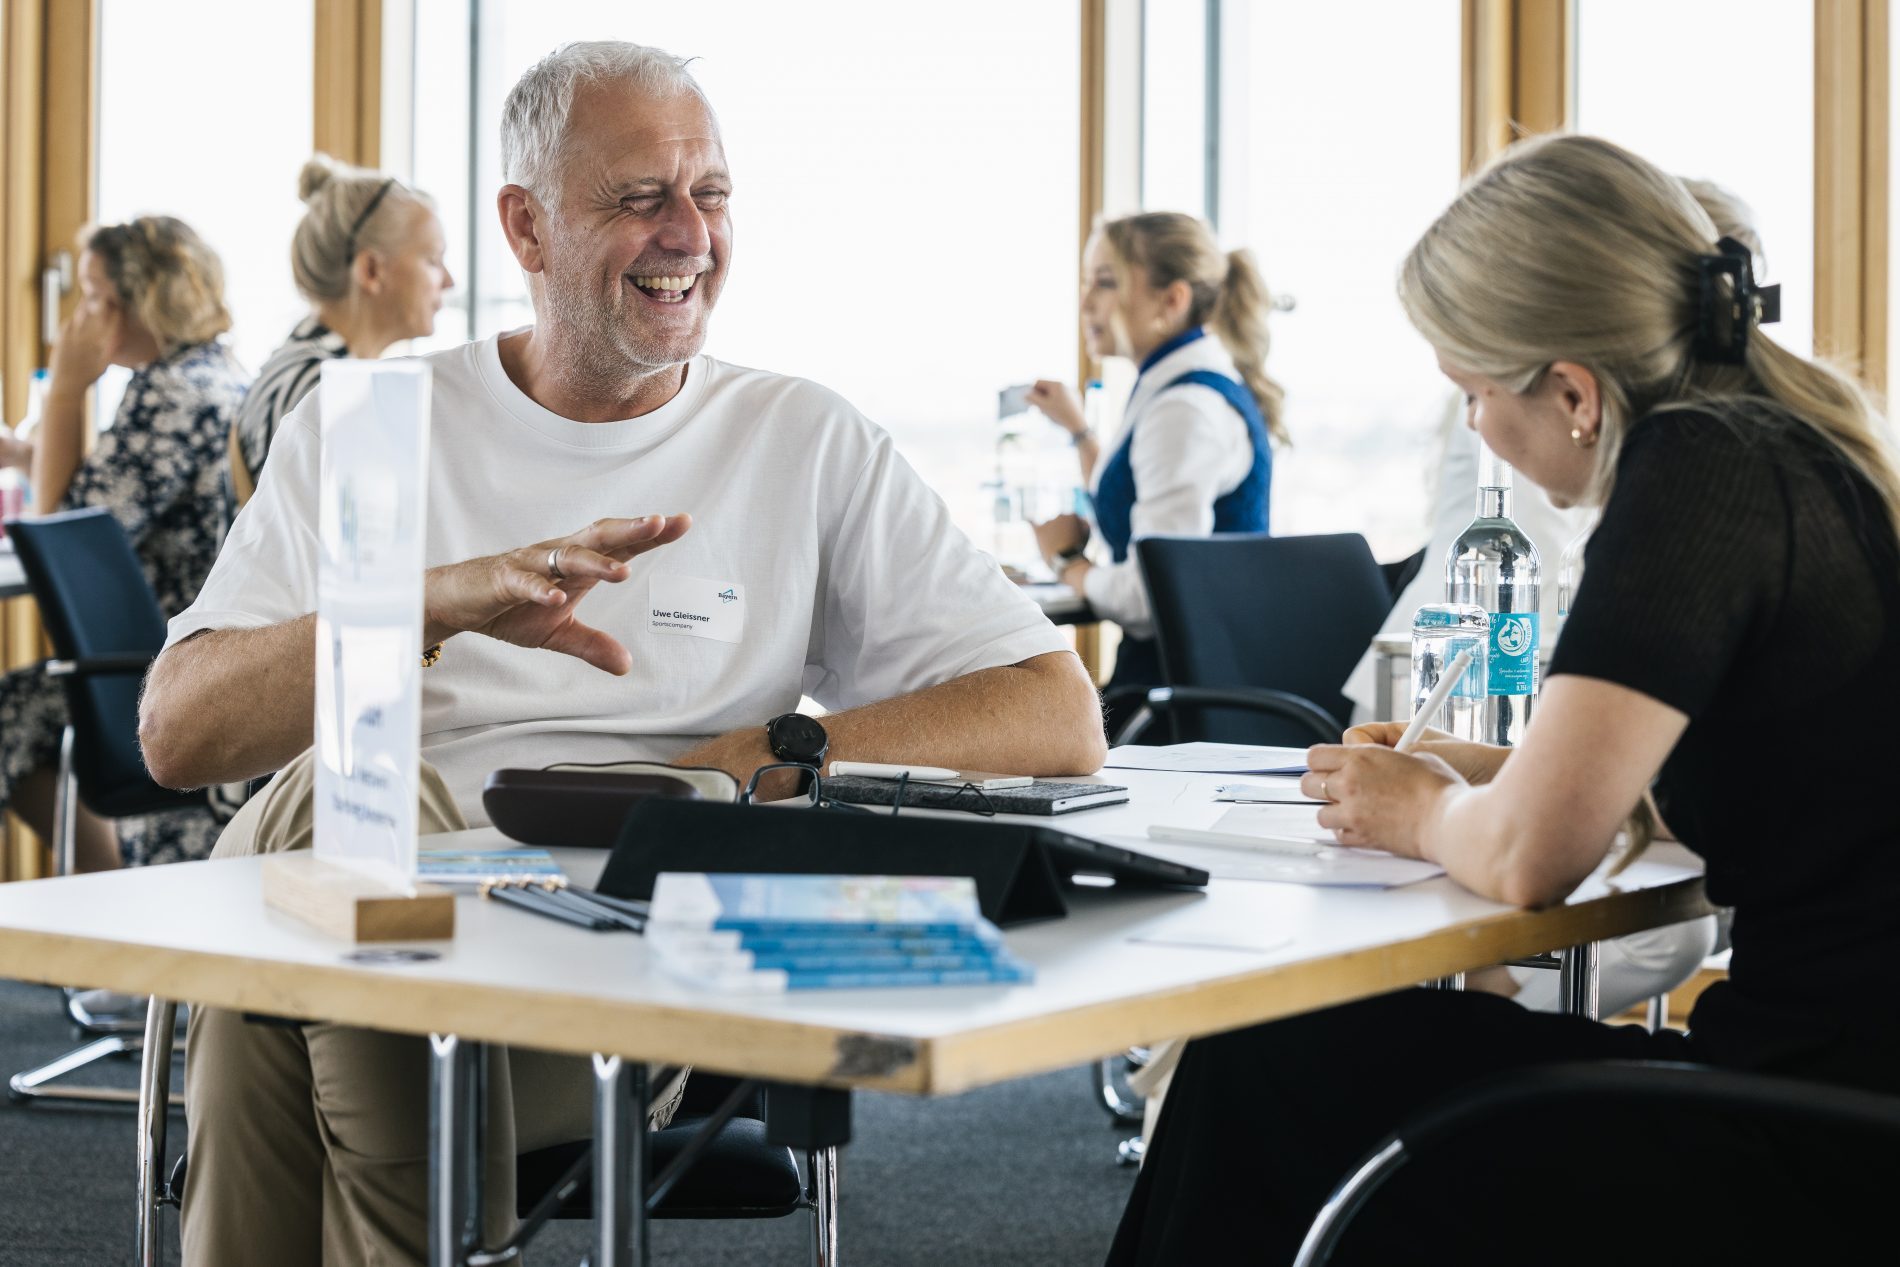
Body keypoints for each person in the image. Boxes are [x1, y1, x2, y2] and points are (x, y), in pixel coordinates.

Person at [139, 41, 1105, 1266]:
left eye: (710, 194)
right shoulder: (376, 428)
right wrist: (429, 606)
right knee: (344, 807)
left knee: (266, 1000)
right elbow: (179, 736)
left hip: (613, 967)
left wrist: (766, 753)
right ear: (527, 228)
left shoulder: (795, 436)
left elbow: (1054, 712)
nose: (688, 233)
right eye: (641, 198)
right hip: (366, 897)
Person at [1106, 134, 1900, 1265]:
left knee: (1268, 1060)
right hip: (1844, 1102)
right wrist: (1487, 774)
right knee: (1299, 1064)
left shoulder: (1692, 474)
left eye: (1473, 392)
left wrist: (1421, 810)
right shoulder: (1805, 454)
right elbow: (1766, 780)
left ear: (1572, 391)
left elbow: (1532, 861)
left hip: (1800, 1143)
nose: (1474, 427)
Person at [0, 215, 246, 873]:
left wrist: (69, 386)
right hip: (186, 651)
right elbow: (114, 492)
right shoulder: (209, 375)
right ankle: (105, 898)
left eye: (91, 295)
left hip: (159, 671)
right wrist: (31, 451)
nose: (79, 316)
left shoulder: (169, 397)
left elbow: (59, 533)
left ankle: (100, 902)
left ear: (141, 298)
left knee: (7, 713)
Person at [1026, 213, 1284, 734]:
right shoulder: (1176, 388)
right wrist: (1080, 431)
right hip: (1183, 682)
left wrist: (1067, 561)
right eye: (1086, 283)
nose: (1086, 304)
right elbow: (1150, 499)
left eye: (1106, 282)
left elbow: (1149, 597)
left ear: (1172, 300)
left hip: (1180, 703)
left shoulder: (1183, 408)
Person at [228, 155, 453, 507]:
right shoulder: (322, 387)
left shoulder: (307, 367)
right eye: (433, 260)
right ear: (372, 270)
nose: (449, 282)